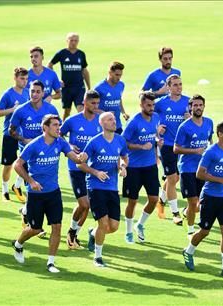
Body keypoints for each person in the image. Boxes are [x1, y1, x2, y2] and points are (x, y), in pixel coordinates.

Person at [11, 114, 87, 273]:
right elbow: (17, 165)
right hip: (36, 194)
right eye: (55, 125)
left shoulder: (61, 142)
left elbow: (76, 159)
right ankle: (18, 244)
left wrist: (85, 155)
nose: (58, 128)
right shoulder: (34, 145)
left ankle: (51, 262)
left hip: (53, 192)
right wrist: (31, 181)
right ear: (45, 128)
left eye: (59, 125)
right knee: (35, 229)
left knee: (57, 227)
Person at [182, 121, 223, 277]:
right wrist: (222, 180)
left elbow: (221, 171)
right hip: (209, 197)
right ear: (220, 134)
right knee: (205, 231)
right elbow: (200, 174)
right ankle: (188, 251)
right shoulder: (210, 152)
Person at [10, 80, 60, 235]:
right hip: (28, 155)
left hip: (47, 155)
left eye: (38, 91)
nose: (35, 94)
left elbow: (59, 130)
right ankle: (32, 221)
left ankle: (26, 212)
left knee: (45, 187)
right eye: (32, 91)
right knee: (31, 187)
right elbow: (11, 131)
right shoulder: (21, 110)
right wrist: (23, 140)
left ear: (43, 93)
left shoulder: (51, 109)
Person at [80, 112, 129, 267]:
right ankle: (98, 257)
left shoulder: (120, 140)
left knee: (113, 227)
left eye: (114, 119)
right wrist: (96, 172)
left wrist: (122, 166)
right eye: (110, 120)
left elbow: (124, 156)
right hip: (95, 187)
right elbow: (80, 164)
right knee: (103, 223)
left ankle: (93, 233)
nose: (114, 122)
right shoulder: (94, 142)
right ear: (102, 124)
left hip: (112, 187)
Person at [60, 90, 102, 249]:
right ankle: (72, 231)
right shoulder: (72, 121)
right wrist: (69, 146)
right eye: (93, 103)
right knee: (84, 204)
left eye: (98, 103)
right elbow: (59, 135)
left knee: (88, 205)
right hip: (76, 167)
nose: (96, 106)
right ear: (84, 103)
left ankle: (74, 235)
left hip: (93, 169)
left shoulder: (100, 120)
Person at [122, 92, 163, 244]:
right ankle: (128, 231)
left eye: (153, 105)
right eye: (148, 105)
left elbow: (154, 135)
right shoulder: (134, 122)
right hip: (133, 167)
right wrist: (140, 146)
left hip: (150, 166)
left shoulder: (156, 118)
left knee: (154, 199)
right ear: (141, 105)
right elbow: (123, 142)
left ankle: (140, 225)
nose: (151, 108)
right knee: (132, 201)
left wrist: (158, 140)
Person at [174, 95, 213, 237]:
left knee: (199, 204)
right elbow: (176, 148)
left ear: (204, 106)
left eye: (200, 105)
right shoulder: (184, 127)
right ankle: (191, 230)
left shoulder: (209, 123)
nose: (198, 108)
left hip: (202, 168)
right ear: (190, 107)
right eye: (195, 105)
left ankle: (186, 212)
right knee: (193, 201)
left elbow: (210, 141)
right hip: (187, 168)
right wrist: (195, 151)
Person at [154, 74, 190, 225]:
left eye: (180, 84)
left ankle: (161, 201)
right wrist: (157, 129)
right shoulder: (160, 103)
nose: (179, 87)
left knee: (174, 178)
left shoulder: (188, 101)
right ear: (168, 87)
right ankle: (175, 213)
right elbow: (148, 114)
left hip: (183, 146)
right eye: (175, 85)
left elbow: (196, 120)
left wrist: (189, 118)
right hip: (167, 144)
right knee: (171, 178)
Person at [0, 67, 30, 202]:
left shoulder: (28, 93)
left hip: (24, 135)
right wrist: (13, 110)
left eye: (26, 79)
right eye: (22, 78)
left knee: (25, 162)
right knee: (8, 164)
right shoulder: (8, 94)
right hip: (10, 134)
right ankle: (4, 187)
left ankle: (17, 185)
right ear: (15, 78)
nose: (24, 81)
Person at [48, 32, 91, 121]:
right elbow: (50, 65)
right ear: (67, 41)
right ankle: (63, 130)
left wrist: (89, 87)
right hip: (66, 87)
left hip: (79, 87)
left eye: (76, 40)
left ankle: (82, 128)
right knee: (67, 110)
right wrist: (57, 81)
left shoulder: (81, 54)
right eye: (71, 40)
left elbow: (84, 70)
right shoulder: (62, 53)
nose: (74, 42)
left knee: (81, 108)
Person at [95, 62, 129, 134]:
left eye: (120, 75)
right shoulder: (99, 88)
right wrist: (104, 113)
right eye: (116, 75)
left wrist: (123, 112)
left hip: (117, 125)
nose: (119, 77)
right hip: (103, 126)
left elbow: (118, 99)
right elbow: (90, 107)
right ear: (110, 72)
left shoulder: (121, 85)